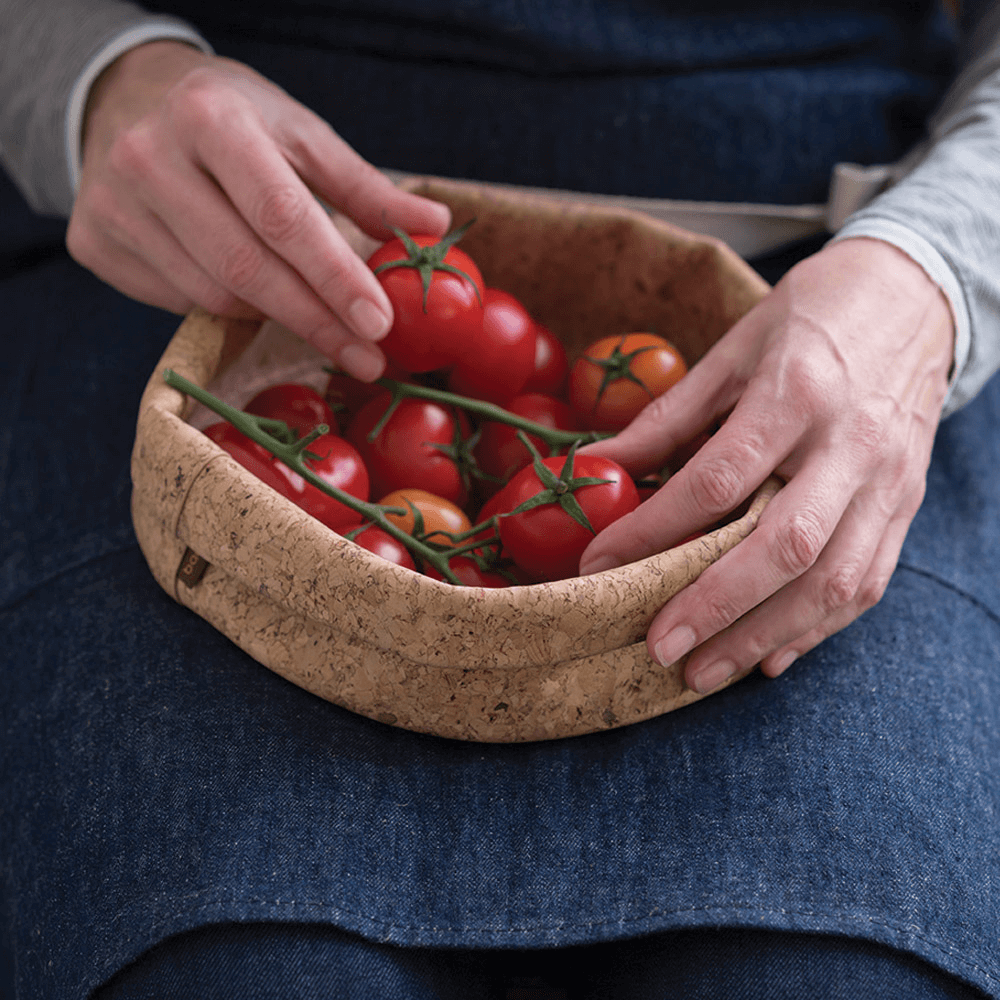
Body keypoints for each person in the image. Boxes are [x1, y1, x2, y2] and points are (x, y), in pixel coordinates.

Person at [1, 1, 999, 997]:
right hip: (208, 267)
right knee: (252, 977)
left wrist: (929, 273)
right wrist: (98, 76)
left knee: (828, 980)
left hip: (836, 330)